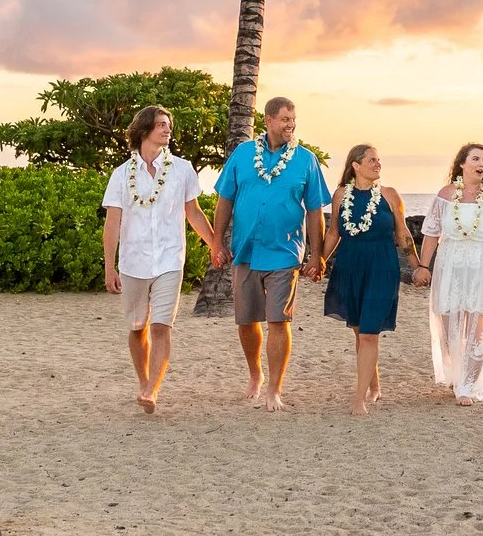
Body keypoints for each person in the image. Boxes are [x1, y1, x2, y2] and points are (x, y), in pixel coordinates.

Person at [211, 96, 332, 412]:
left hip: (285, 252)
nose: (290, 124)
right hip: (246, 249)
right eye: (284, 119)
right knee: (247, 319)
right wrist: (217, 243)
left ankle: (275, 389)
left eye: (293, 119)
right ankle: (256, 375)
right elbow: (224, 200)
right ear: (267, 120)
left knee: (279, 319)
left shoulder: (306, 160)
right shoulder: (243, 154)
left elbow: (315, 211)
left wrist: (317, 255)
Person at [100, 104, 221, 414]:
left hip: (169, 259)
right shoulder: (120, 174)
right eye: (161, 125)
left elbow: (192, 212)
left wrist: (213, 245)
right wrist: (109, 267)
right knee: (137, 327)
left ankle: (153, 389)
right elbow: (113, 221)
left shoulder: (182, 169)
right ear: (144, 130)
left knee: (161, 326)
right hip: (133, 261)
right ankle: (143, 380)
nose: (168, 129)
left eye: (169, 124)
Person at [321, 143, 429, 417]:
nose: (377, 164)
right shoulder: (341, 195)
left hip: (381, 267)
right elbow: (334, 232)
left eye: (379, 159)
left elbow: (403, 235)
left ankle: (359, 400)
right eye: (371, 160)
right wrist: (319, 260)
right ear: (356, 166)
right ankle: (374, 384)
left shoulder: (391, 196)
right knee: (359, 331)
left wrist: (419, 266)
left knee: (369, 333)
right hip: (349, 266)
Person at [418, 143, 483, 404]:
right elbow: (431, 232)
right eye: (474, 158)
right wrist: (423, 266)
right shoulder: (446, 195)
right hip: (450, 266)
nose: (480, 163)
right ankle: (457, 374)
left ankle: (467, 386)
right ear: (462, 164)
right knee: (450, 329)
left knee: (477, 327)